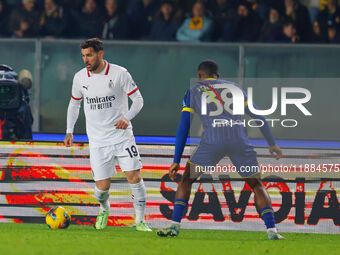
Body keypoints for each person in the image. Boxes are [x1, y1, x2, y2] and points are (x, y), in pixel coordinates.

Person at [156, 60, 285, 240]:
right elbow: (259, 116)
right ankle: (272, 231)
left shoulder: (193, 91)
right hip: (239, 142)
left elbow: (184, 126)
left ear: (200, 75)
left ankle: (174, 226)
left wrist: (176, 160)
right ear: (218, 75)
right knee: (256, 185)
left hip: (212, 143)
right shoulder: (236, 88)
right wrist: (272, 143)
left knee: (186, 180)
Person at [64, 38, 151, 231]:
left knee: (134, 176)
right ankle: (104, 209)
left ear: (100, 54)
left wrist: (127, 118)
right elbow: (74, 104)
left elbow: (138, 100)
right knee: (102, 188)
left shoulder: (120, 73)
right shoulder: (79, 77)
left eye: (89, 55)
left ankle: (140, 221)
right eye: (83, 56)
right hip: (97, 141)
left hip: (122, 137)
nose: (86, 60)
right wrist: (69, 130)